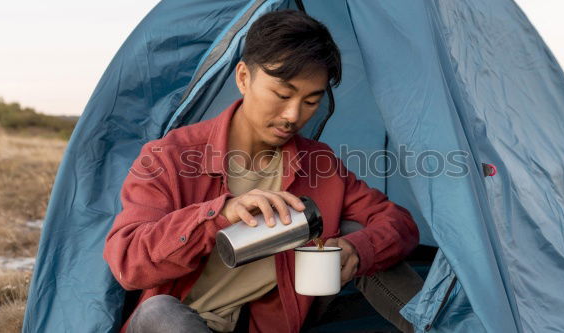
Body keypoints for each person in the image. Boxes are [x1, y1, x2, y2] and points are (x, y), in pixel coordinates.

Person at [103, 9, 423, 333]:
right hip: (179, 322)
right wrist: (219, 215)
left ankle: (446, 329)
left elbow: (399, 223)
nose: (293, 115)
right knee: (159, 311)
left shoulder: (320, 165)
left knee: (363, 236)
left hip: (267, 323)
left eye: (311, 101)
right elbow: (128, 262)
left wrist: (359, 250)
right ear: (243, 78)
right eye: (282, 95)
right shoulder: (170, 157)